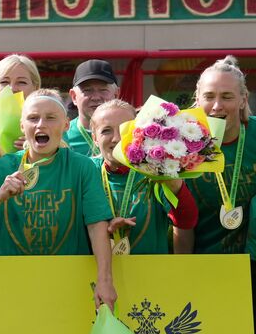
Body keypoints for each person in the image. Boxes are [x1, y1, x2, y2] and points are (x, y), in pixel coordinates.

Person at [0, 90, 118, 309]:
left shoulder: (82, 167)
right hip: (8, 284)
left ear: (65, 125)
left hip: (68, 285)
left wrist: (105, 280)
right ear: (22, 126)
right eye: (33, 118)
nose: (40, 125)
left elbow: (96, 226)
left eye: (51, 118)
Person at [88, 99, 198, 255]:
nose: (116, 138)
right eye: (106, 130)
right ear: (94, 138)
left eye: (124, 129)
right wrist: (102, 228)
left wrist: (175, 185)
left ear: (138, 132)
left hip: (151, 274)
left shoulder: (153, 169)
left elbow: (187, 221)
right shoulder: (86, 171)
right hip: (96, 274)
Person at [182, 56, 256, 268]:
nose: (217, 106)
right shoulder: (178, 144)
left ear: (243, 99)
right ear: (197, 98)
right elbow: (182, 224)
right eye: (209, 96)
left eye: (227, 97)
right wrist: (182, 272)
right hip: (203, 263)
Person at [61, 59, 121, 153]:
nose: (96, 97)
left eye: (103, 90)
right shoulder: (62, 137)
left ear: (116, 95)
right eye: (87, 90)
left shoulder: (131, 135)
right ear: (74, 96)